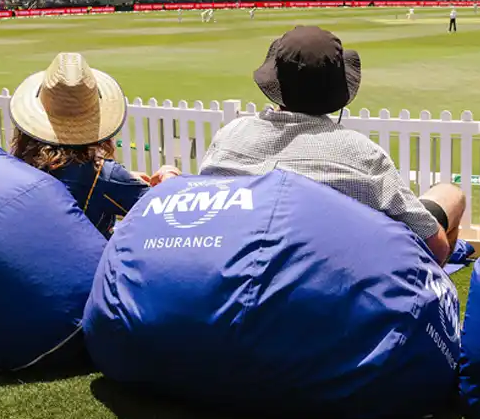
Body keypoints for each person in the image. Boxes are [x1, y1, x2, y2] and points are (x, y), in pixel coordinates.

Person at [199, 26, 465, 266]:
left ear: (276, 81)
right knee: (451, 195)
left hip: (237, 276)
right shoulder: (362, 155)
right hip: (333, 287)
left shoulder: (229, 137)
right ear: (337, 91)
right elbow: (436, 247)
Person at [9, 52, 180, 238]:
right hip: (86, 264)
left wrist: (123, 179)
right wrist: (170, 180)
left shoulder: (17, 165)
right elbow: (170, 213)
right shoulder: (101, 175)